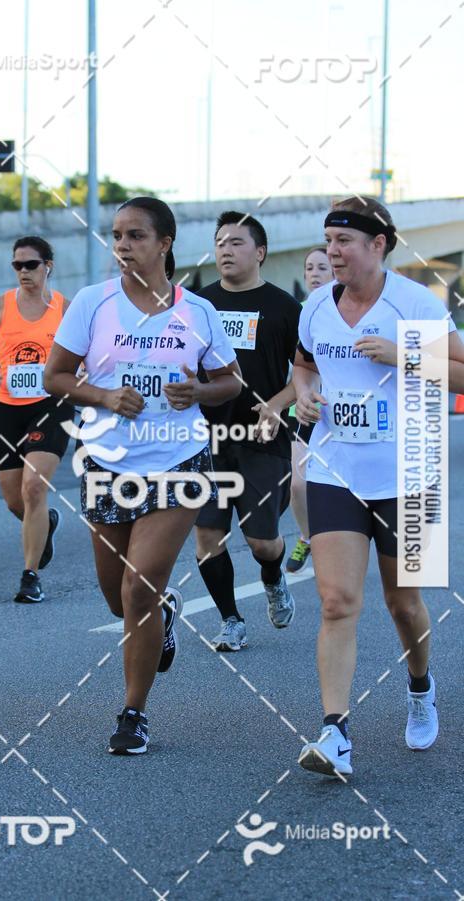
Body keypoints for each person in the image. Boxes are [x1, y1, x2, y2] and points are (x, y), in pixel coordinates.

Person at [43, 197, 241, 755]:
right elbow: (56, 375)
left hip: (178, 461)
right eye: (117, 235)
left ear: (164, 243)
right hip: (107, 462)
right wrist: (103, 394)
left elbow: (231, 381)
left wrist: (197, 392)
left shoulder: (197, 312)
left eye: (135, 236)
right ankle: (165, 615)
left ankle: (133, 713)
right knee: (118, 599)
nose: (123, 246)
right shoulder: (92, 303)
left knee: (139, 588)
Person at [295, 196, 464, 777]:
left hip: (412, 470)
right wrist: (303, 392)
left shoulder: (415, 302)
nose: (333, 252)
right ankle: (335, 732)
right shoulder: (316, 304)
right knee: (337, 602)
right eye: (328, 240)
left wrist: (405, 355)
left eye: (344, 242)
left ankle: (420, 686)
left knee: (404, 602)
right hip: (335, 467)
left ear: (378, 245)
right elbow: (304, 364)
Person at [194, 211, 302, 653]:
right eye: (220, 241)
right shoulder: (198, 305)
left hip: (263, 437)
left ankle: (273, 578)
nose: (225, 249)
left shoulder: (284, 308)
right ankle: (231, 620)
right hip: (206, 438)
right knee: (206, 535)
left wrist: (276, 405)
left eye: (236, 242)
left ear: (259, 253)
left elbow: (310, 375)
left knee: (261, 541)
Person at [0, 236, 73, 604]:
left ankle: (30, 576)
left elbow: (86, 356)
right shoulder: (0, 307)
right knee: (16, 500)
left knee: (33, 488)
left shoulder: (65, 309)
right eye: (18, 265)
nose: (24, 272)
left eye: (31, 264)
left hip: (50, 404)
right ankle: (48, 524)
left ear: (49, 265)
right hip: (6, 408)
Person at [286, 247, 333, 574]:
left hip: (343, 415)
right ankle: (307, 536)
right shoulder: (297, 313)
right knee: (299, 485)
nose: (314, 273)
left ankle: (345, 543)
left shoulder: (349, 307)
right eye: (309, 268)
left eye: (322, 267)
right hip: (304, 411)